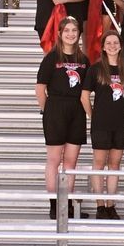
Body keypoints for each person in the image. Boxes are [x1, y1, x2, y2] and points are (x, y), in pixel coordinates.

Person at [36, 16, 90, 220]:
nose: (70, 34)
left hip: (76, 109)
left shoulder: (83, 59)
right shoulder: (52, 58)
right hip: (56, 108)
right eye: (66, 30)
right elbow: (40, 88)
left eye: (74, 31)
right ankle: (54, 205)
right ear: (59, 33)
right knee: (54, 159)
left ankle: (67, 205)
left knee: (71, 161)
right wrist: (47, 110)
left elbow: (86, 89)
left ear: (79, 34)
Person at [81, 30, 124, 220]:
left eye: (115, 43)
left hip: (120, 124)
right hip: (101, 124)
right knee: (99, 164)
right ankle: (100, 205)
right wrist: (93, 116)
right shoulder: (95, 69)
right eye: (108, 43)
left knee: (114, 164)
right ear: (103, 47)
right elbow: (84, 96)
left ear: (120, 46)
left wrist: (118, 112)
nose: (112, 46)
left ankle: (111, 204)